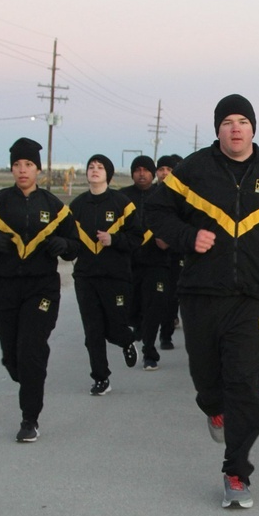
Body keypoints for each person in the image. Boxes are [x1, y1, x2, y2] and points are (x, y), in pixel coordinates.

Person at [146, 94, 259, 509]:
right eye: (227, 122)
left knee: (244, 384)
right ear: (218, 129)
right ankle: (212, 407)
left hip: (255, 297)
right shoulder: (193, 170)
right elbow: (154, 211)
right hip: (202, 293)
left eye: (242, 121)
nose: (235, 128)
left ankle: (236, 472)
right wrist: (188, 238)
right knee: (207, 378)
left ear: (253, 128)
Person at [0, 137, 78, 443]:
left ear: (38, 169)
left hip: (41, 288)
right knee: (12, 355)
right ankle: (16, 367)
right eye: (17, 164)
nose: (22, 170)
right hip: (3, 287)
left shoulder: (54, 207)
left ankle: (30, 418)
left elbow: (75, 246)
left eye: (28, 165)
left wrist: (64, 244)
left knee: (32, 349)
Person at [69, 154, 142, 395]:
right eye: (91, 166)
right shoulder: (77, 206)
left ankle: (126, 340)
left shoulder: (122, 203)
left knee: (115, 325)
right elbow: (69, 240)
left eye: (100, 167)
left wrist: (114, 239)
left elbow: (136, 237)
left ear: (108, 174)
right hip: (86, 277)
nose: (94, 170)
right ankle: (101, 378)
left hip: (115, 276)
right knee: (93, 331)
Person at [120, 155, 170, 371]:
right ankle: (136, 328)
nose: (142, 174)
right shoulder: (122, 197)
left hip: (156, 262)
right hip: (127, 262)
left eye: (146, 170)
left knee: (154, 307)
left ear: (153, 173)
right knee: (131, 306)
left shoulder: (163, 196)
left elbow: (174, 223)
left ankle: (150, 352)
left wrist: (167, 239)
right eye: (137, 170)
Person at [155, 155, 183, 350]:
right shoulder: (151, 194)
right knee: (153, 298)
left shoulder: (182, 196)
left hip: (175, 254)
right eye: (161, 169)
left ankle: (166, 335)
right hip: (152, 255)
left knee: (172, 296)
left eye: (169, 169)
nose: (165, 173)